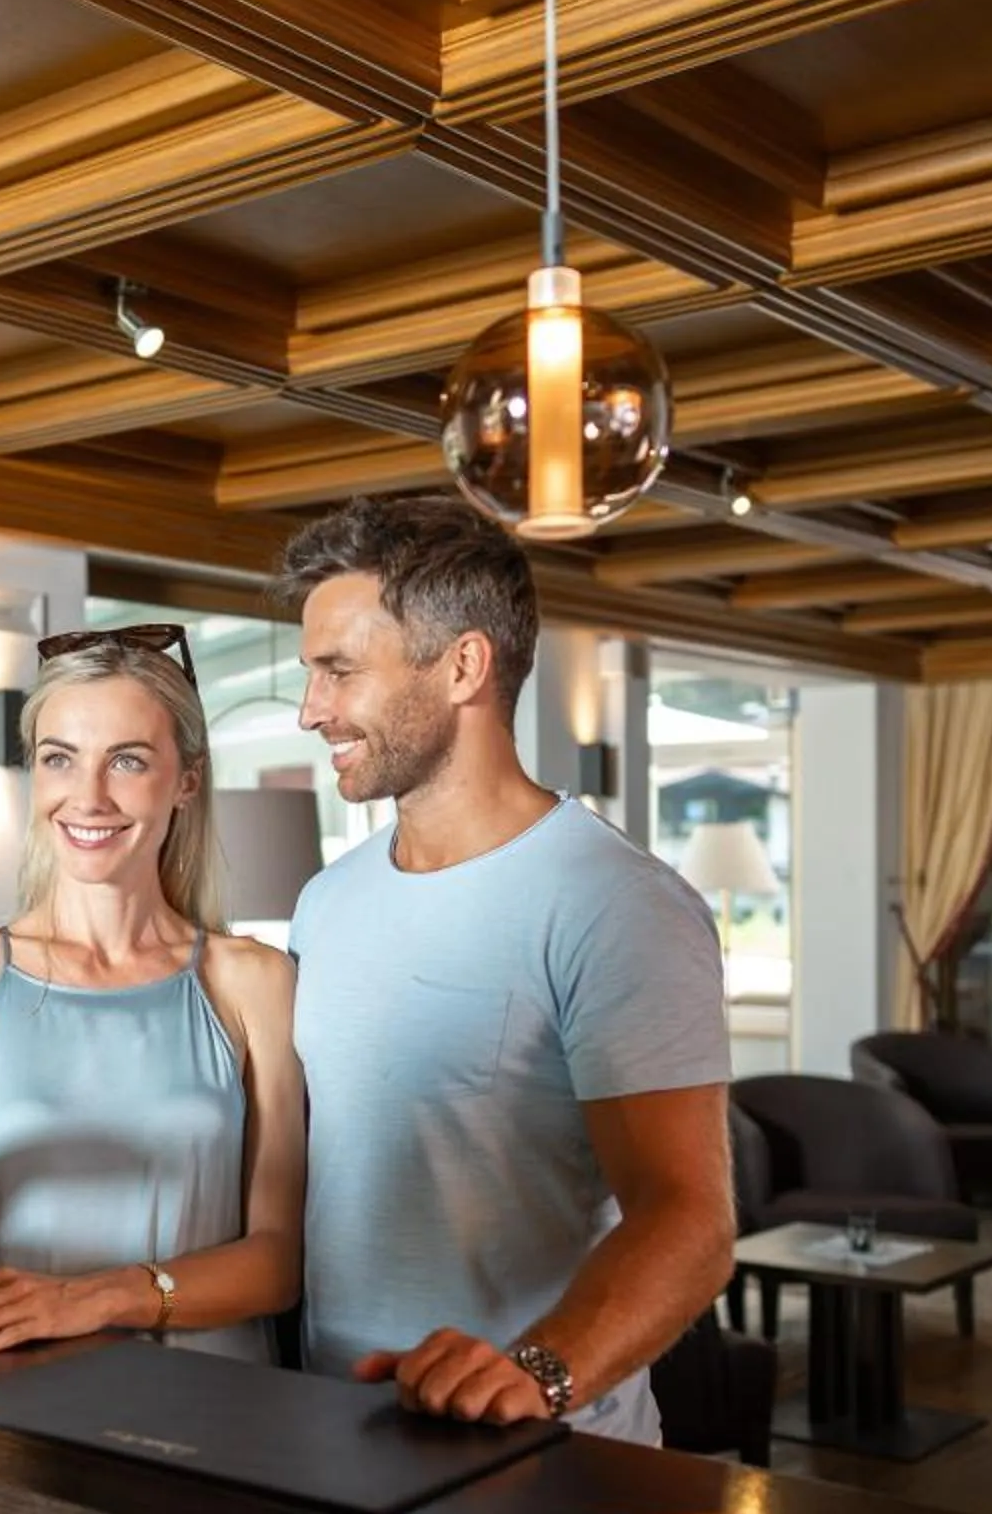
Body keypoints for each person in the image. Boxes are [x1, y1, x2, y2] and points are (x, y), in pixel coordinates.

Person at [276, 495, 735, 1443]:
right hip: (338, 1431)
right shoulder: (327, 903)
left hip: (534, 1452)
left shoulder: (617, 904)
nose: (310, 709)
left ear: (464, 666)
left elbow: (688, 1222)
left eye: (339, 671)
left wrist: (535, 1374)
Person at [0, 626, 305, 1362]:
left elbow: (278, 1263)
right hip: (8, 1415)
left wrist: (91, 1297)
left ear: (188, 778)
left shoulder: (252, 981)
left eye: (128, 761)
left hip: (215, 1414)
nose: (89, 796)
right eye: (58, 758)